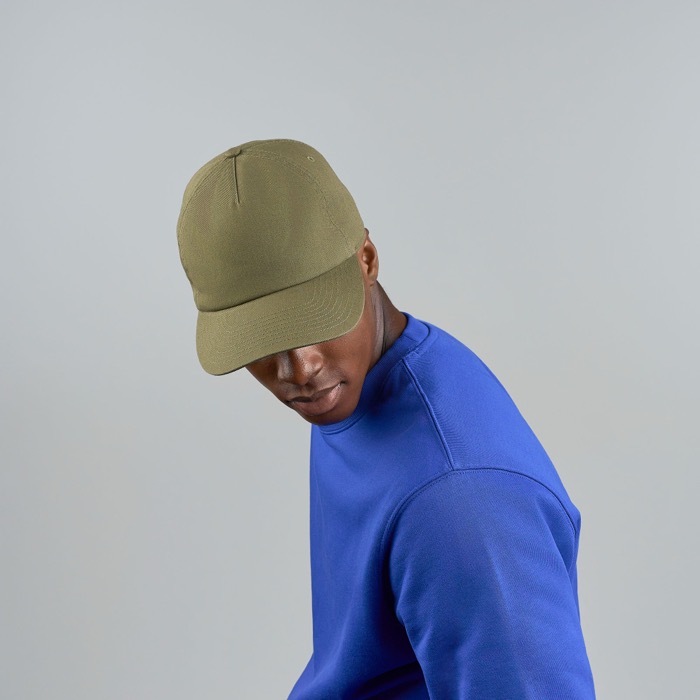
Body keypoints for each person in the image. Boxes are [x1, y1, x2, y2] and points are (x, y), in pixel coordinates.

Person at [176, 138, 596, 699]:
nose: (299, 368)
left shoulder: (461, 500)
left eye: (313, 318)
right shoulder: (357, 380)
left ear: (367, 260)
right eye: (263, 340)